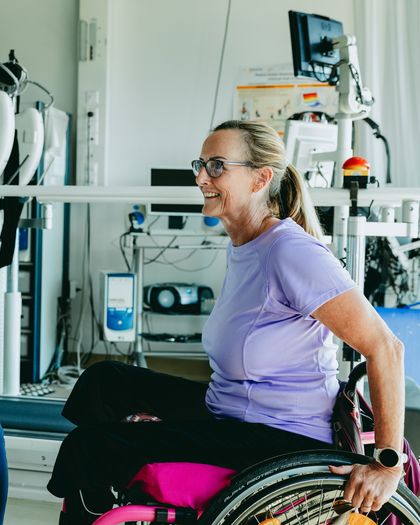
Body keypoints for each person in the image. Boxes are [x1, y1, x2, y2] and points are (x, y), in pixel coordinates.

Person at [48, 120, 405, 524]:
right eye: (200, 165)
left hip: (278, 436)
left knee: (89, 447)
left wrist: (387, 465)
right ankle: (102, 481)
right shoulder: (244, 244)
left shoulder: (291, 252)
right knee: (103, 381)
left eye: (217, 166)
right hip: (230, 408)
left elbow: (386, 348)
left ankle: (99, 477)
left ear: (260, 179)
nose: (201, 177)